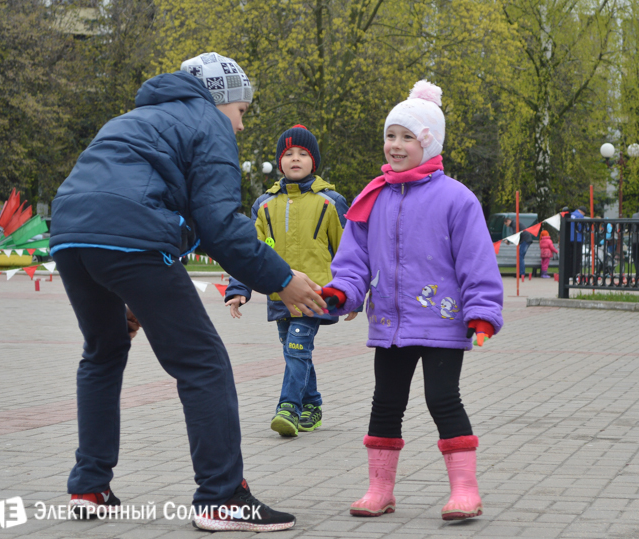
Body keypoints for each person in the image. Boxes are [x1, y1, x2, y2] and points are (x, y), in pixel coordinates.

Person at [48, 52, 327, 533]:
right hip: (130, 240)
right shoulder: (207, 122)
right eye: (241, 111)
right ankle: (222, 498)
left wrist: (136, 293)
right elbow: (220, 225)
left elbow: (166, 212)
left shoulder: (131, 118)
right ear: (221, 99)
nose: (239, 127)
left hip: (70, 235)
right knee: (204, 363)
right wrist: (282, 279)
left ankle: (89, 486)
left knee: (103, 351)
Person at [317, 81, 503, 521]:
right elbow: (354, 256)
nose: (395, 145)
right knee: (385, 402)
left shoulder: (457, 198)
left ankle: (465, 490)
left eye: (406, 137)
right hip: (390, 323)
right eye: (390, 135)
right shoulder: (373, 196)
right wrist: (343, 291)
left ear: (429, 142)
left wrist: (482, 313)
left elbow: (476, 261)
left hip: (442, 322)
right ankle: (379, 489)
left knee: (443, 399)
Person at [224, 125, 357, 437]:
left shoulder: (331, 202)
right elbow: (249, 251)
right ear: (279, 161)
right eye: (288, 154)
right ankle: (312, 404)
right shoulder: (264, 205)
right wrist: (238, 289)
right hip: (278, 294)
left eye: (303, 154)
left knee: (296, 348)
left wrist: (354, 295)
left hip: (316, 294)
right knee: (295, 349)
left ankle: (289, 409)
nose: (295, 159)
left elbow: (349, 252)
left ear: (314, 162)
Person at [570, 206, 586, 277]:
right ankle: (575, 274)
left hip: (569, 239)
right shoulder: (580, 216)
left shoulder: (570, 214)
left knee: (570, 256)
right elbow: (581, 228)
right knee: (577, 257)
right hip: (578, 239)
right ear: (583, 212)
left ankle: (569, 274)